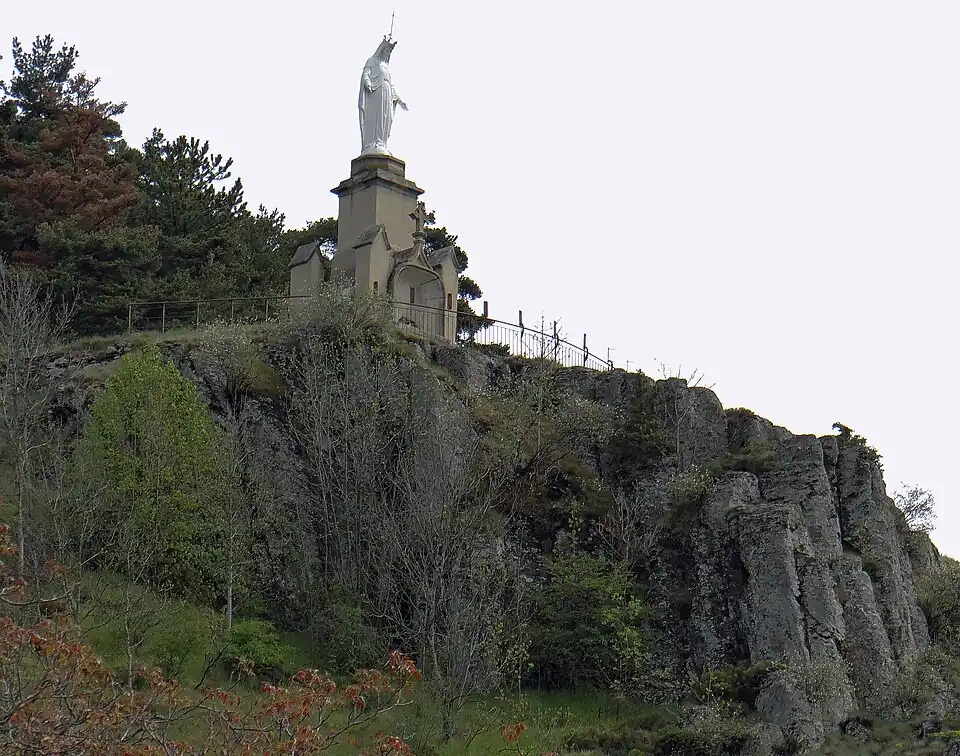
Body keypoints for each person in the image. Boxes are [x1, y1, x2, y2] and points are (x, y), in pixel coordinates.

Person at [359, 37, 408, 156]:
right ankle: (373, 143)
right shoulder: (372, 61)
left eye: (389, 53)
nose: (387, 54)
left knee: (385, 117)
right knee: (375, 116)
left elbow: (391, 87)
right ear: (381, 50)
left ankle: (381, 143)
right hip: (375, 92)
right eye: (386, 51)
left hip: (386, 94)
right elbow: (366, 73)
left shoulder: (386, 67)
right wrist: (367, 82)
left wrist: (400, 101)